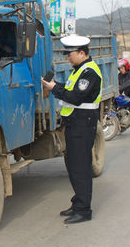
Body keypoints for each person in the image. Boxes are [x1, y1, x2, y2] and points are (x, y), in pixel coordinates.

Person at [41, 35, 102, 224]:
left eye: (70, 54)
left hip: (83, 124)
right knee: (74, 166)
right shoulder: (78, 71)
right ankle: (77, 203)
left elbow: (75, 97)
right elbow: (69, 89)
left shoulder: (89, 73)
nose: (68, 57)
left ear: (82, 53)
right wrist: (54, 85)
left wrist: (53, 89)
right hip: (75, 124)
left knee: (81, 168)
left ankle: (84, 210)